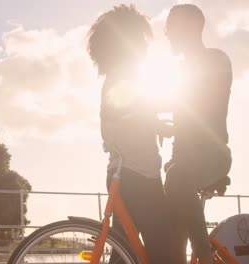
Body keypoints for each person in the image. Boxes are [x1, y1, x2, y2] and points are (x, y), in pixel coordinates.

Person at [87, 5, 171, 263]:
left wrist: (155, 124)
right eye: (140, 39)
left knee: (124, 253)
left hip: (127, 174)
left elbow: (126, 116)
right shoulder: (123, 76)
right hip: (137, 177)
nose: (145, 46)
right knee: (164, 250)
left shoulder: (119, 77)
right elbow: (123, 113)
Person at [164, 4, 232, 264]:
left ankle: (205, 256)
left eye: (170, 27)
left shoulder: (216, 60)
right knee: (170, 224)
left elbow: (207, 108)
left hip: (212, 156)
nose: (166, 33)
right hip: (185, 162)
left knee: (177, 177)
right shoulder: (181, 70)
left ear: (190, 27)